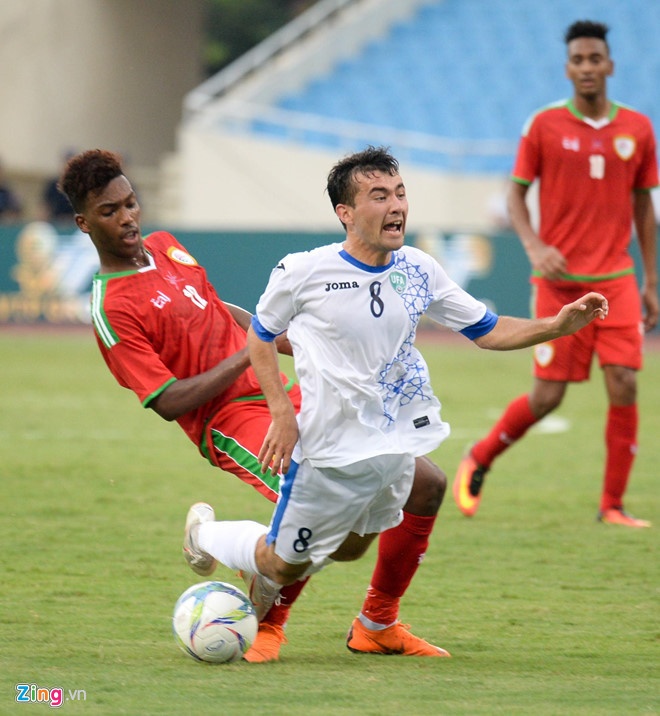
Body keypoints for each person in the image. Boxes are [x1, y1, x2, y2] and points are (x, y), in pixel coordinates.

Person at [185, 146, 608, 657]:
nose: (396, 206)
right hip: (328, 449)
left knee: (357, 543)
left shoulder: (419, 269)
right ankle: (209, 538)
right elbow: (261, 334)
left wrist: (555, 326)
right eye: (379, 196)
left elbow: (488, 329)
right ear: (345, 213)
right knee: (282, 563)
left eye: (401, 193)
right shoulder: (303, 271)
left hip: (391, 438)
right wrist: (281, 413)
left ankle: (375, 625)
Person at [58, 148, 451, 662]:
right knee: (319, 535)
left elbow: (222, 312)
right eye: (111, 212)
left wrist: (283, 339)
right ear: (84, 223)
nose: (128, 217)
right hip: (229, 422)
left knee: (421, 487)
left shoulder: (166, 246)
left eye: (130, 203)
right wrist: (248, 356)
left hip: (280, 394)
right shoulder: (111, 307)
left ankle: (376, 623)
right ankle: (217, 545)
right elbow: (170, 401)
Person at [453, 20, 658, 528]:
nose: (587, 67)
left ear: (609, 65)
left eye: (595, 59)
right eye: (578, 60)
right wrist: (535, 245)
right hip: (560, 284)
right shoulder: (543, 126)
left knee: (625, 383)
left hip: (616, 280)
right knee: (547, 396)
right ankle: (479, 456)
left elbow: (644, 209)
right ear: (568, 68)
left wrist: (651, 279)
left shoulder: (637, 129)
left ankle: (612, 505)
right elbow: (516, 194)